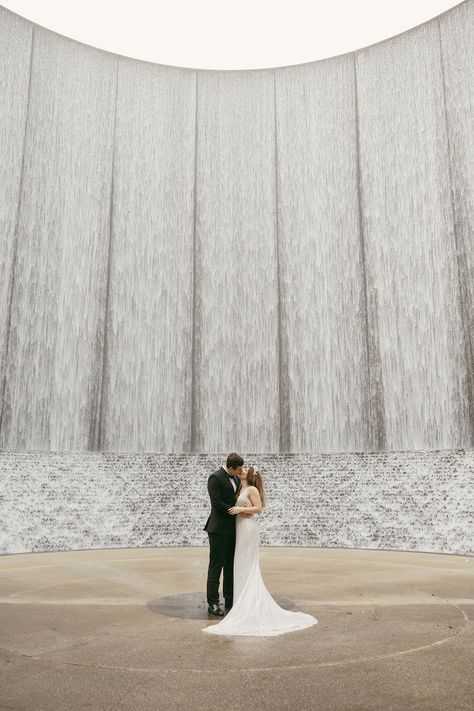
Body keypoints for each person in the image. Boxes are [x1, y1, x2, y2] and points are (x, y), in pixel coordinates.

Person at [202, 465, 318, 636]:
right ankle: (233, 599)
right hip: (235, 529)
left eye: (244, 470)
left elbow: (259, 509)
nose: (241, 471)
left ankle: (243, 599)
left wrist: (241, 509)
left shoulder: (252, 489)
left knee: (246, 562)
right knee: (236, 562)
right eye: (240, 468)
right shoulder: (238, 483)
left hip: (247, 529)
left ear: (248, 475)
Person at [203, 452, 246, 616]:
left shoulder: (235, 478)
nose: (240, 472)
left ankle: (230, 598)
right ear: (231, 467)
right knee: (216, 566)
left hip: (233, 530)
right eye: (238, 469)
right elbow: (216, 503)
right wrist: (236, 512)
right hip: (218, 530)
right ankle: (213, 602)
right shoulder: (215, 478)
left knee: (230, 566)